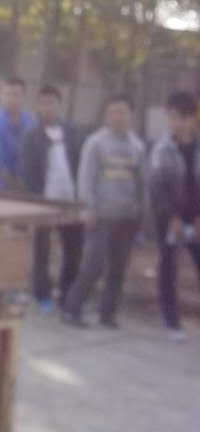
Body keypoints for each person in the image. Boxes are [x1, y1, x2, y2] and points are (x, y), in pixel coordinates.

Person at [61, 94, 146, 328]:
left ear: (131, 115)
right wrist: (87, 209)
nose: (118, 117)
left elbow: (141, 183)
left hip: (127, 217)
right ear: (107, 116)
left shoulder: (137, 146)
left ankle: (107, 314)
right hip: (101, 216)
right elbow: (85, 178)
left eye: (122, 112)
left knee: (118, 268)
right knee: (94, 265)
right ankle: (71, 309)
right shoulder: (95, 143)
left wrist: (140, 214)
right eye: (113, 112)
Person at [20, 84, 84, 311]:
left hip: (70, 200)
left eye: (52, 103)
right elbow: (27, 171)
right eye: (43, 103)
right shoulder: (31, 135)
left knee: (74, 249)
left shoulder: (71, 132)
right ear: (37, 106)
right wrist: (37, 199)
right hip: (44, 201)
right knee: (42, 251)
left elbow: (79, 163)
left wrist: (79, 196)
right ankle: (42, 294)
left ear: (59, 105)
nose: (48, 107)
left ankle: (67, 293)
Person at [148, 90, 200, 340]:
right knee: (168, 267)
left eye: (182, 117)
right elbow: (157, 189)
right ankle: (171, 321)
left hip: (196, 219)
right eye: (172, 117)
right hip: (169, 220)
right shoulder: (162, 149)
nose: (177, 122)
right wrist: (173, 218)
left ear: (192, 118)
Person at [0, 76, 36, 189]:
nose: (10, 99)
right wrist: (15, 185)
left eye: (15, 95)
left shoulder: (31, 122)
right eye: (7, 94)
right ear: (1, 96)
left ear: (24, 98)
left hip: (25, 186)